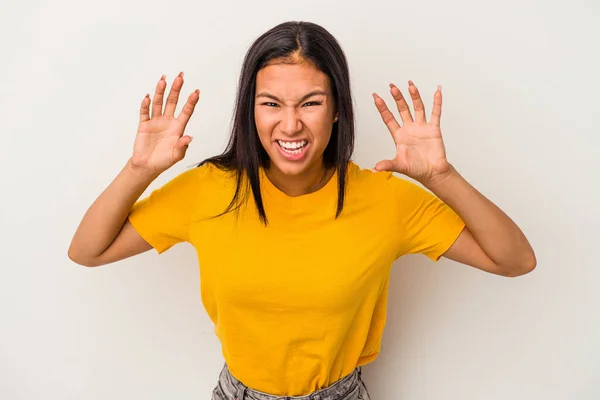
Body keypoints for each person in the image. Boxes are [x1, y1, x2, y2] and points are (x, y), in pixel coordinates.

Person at [68, 21, 536, 400]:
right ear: (250, 110)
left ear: (336, 110)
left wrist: (441, 178)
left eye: (310, 103)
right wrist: (138, 169)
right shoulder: (207, 191)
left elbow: (515, 260)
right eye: (271, 103)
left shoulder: (386, 198)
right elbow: (87, 251)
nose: (290, 124)